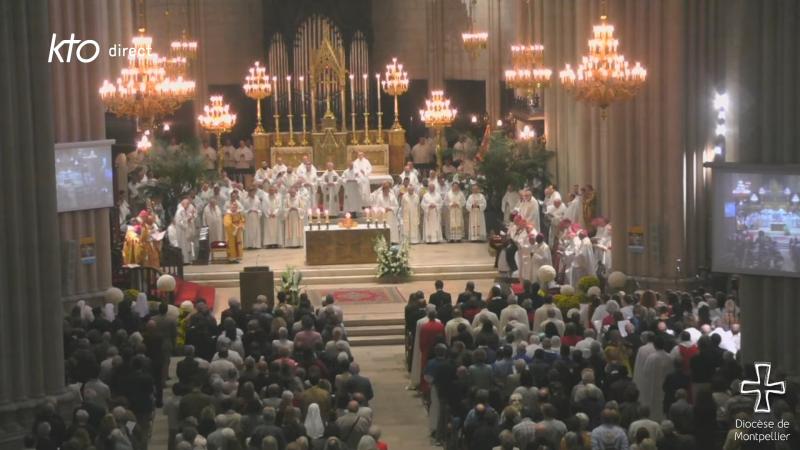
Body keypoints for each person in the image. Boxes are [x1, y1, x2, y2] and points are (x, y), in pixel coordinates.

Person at [174, 197, 197, 264]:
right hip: (182, 231)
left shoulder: (183, 209)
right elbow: (180, 221)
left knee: (187, 246)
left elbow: (192, 216)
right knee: (184, 246)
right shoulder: (180, 210)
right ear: (184, 204)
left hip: (185, 230)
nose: (188, 206)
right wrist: (187, 222)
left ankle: (188, 260)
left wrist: (189, 219)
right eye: (187, 204)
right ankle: (185, 261)